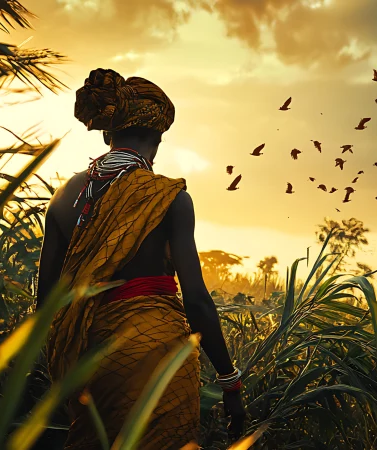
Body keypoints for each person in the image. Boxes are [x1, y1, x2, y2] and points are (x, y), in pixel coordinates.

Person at [36, 68, 245, 450]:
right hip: (158, 354)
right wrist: (230, 383)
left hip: (89, 355)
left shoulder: (64, 196)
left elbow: (47, 304)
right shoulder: (170, 198)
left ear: (106, 132)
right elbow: (197, 302)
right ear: (156, 138)